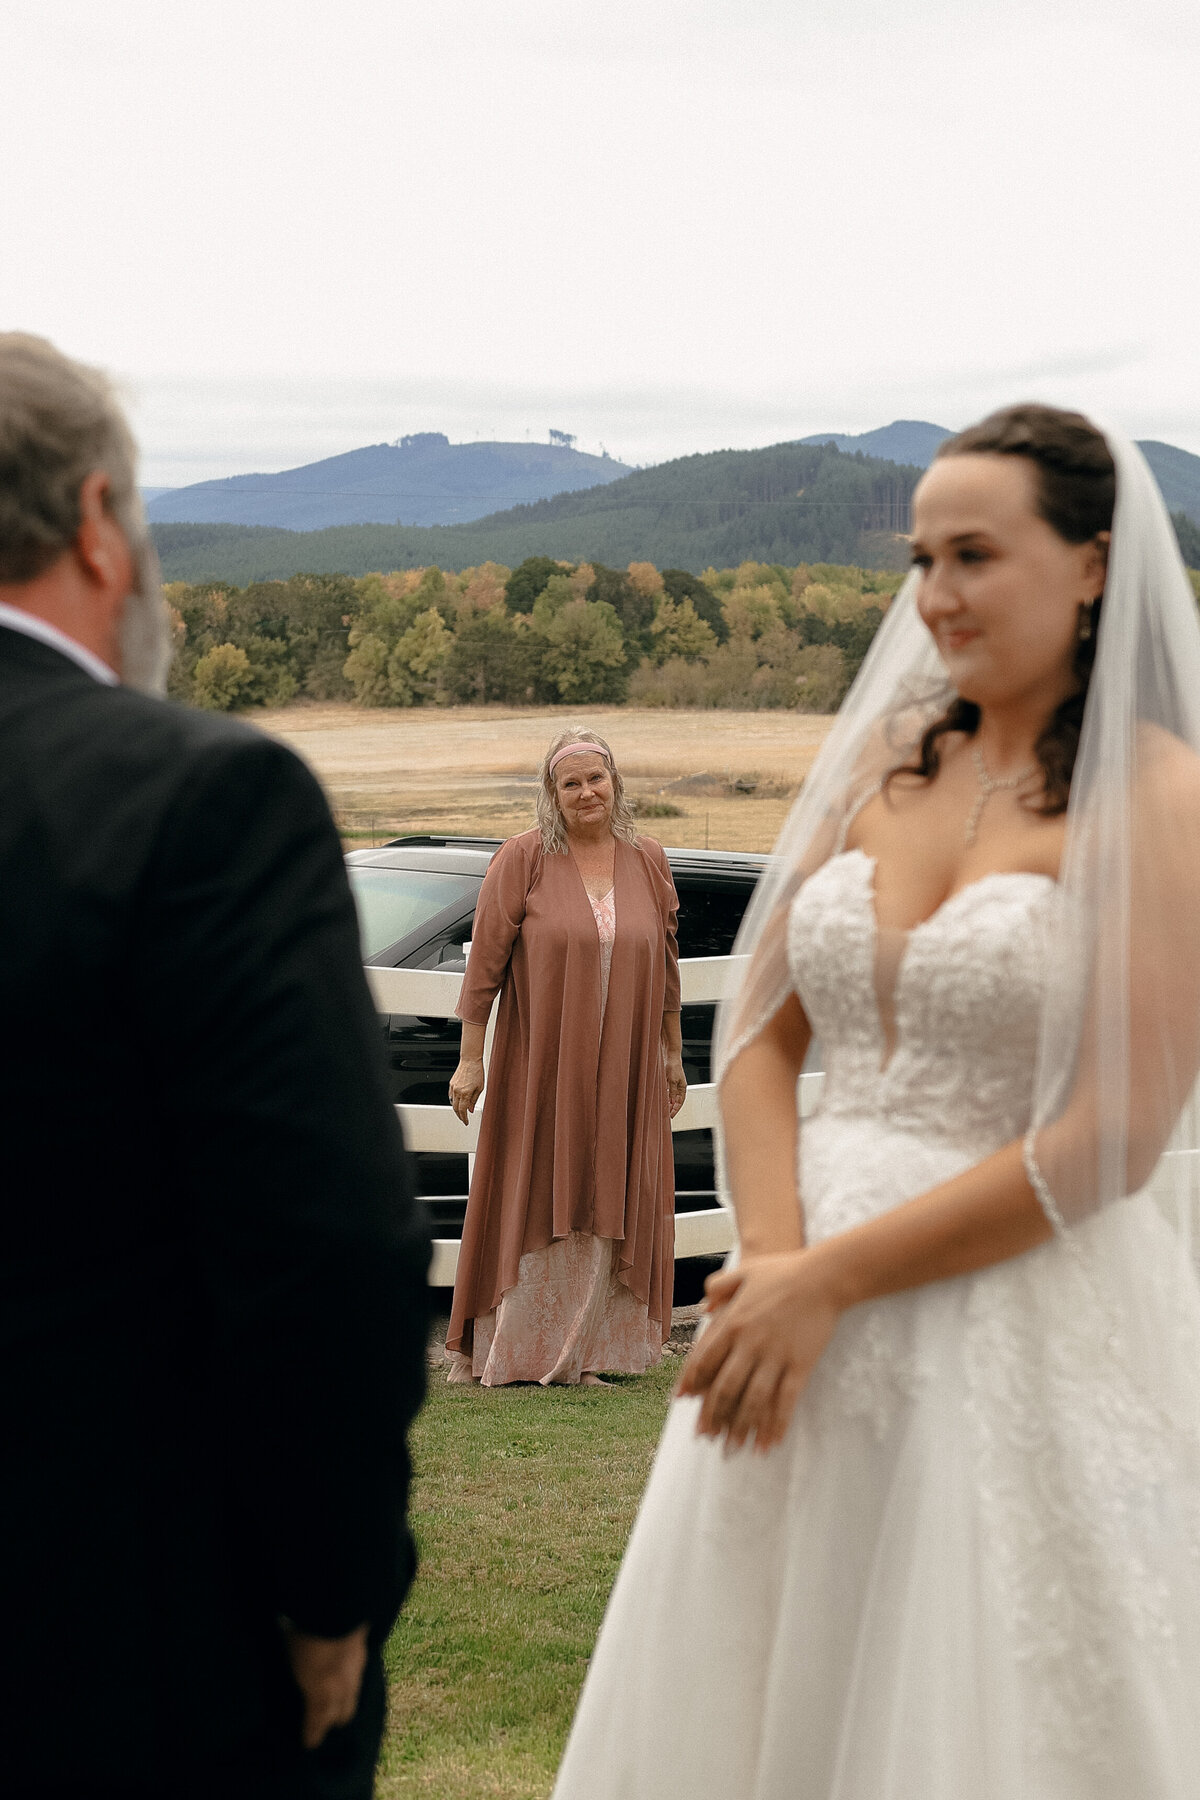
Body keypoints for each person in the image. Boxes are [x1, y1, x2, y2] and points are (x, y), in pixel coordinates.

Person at [553, 405, 1200, 1798]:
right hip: (796, 1298)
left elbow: (1115, 1139)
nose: (938, 595)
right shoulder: (882, 760)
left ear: (1093, 565)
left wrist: (834, 1280)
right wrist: (777, 1269)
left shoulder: (1162, 798)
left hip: (1015, 1299)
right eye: (922, 558)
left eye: (976, 554)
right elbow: (763, 1041)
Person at [0, 332, 431, 1800]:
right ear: (98, 525)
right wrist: (329, 1593)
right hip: (108, 1634)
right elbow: (322, 1249)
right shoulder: (199, 802)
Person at [444, 726, 685, 1386]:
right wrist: (472, 1059)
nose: (586, 792)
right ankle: (523, 1350)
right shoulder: (525, 859)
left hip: (627, 1063)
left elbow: (664, 966)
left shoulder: (648, 859)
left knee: (613, 1182)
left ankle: (589, 1353)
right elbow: (484, 969)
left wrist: (671, 1054)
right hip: (543, 1064)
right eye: (570, 782)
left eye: (596, 778)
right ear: (552, 794)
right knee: (539, 1183)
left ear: (616, 782)